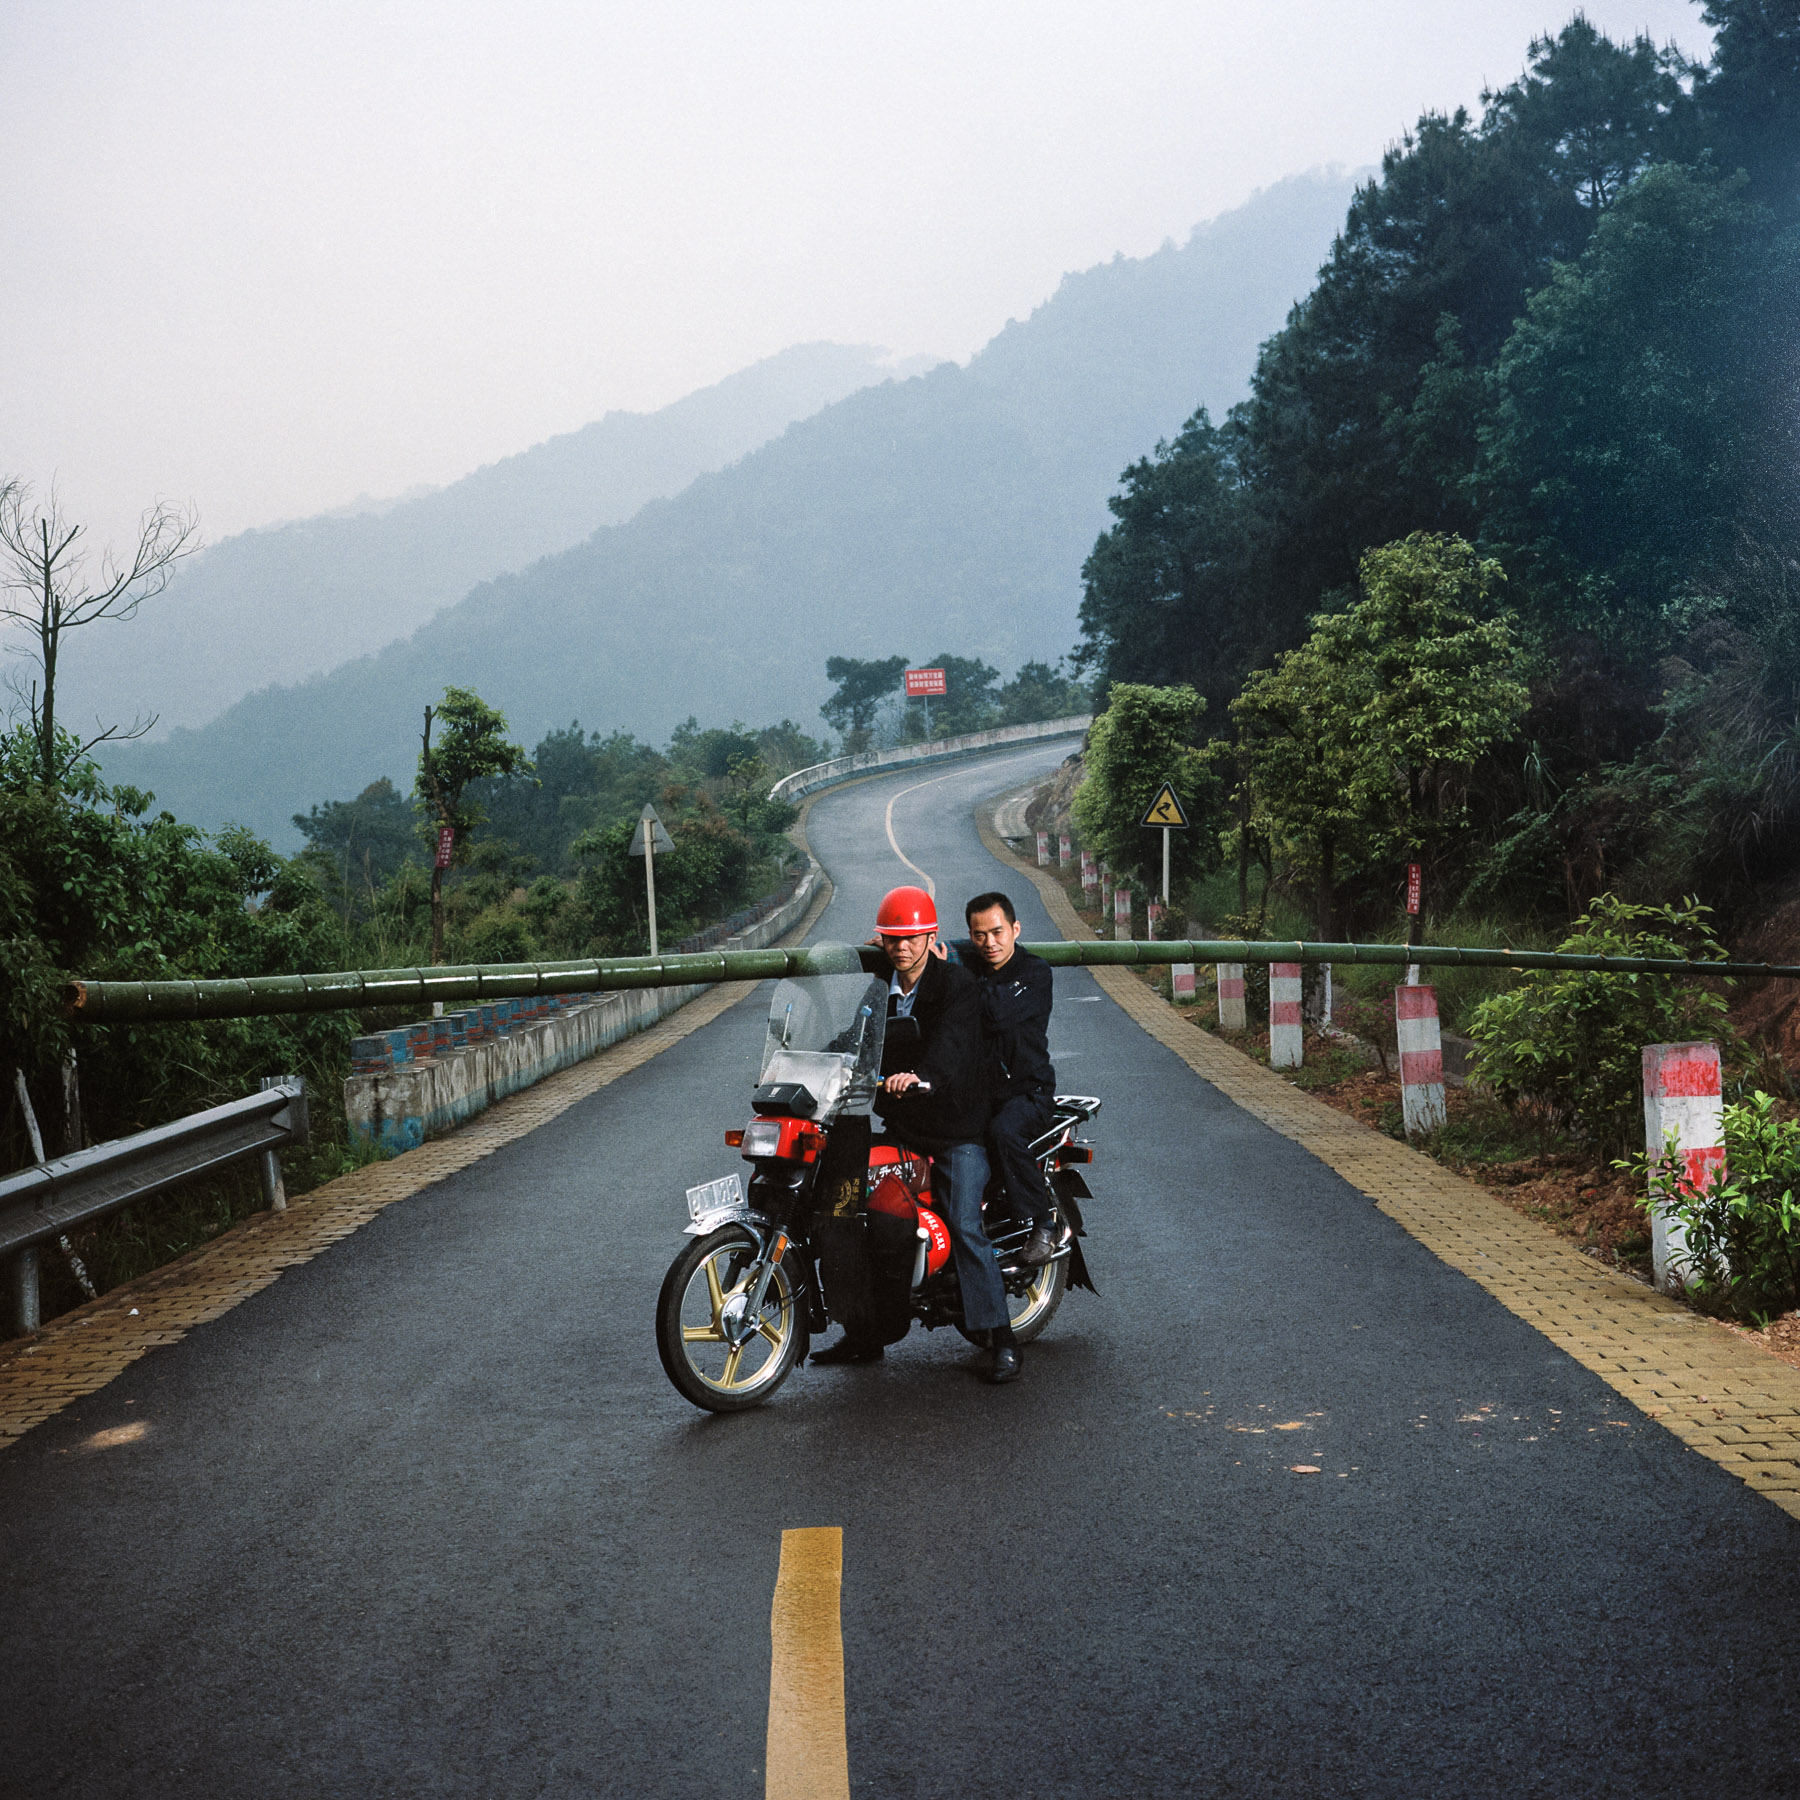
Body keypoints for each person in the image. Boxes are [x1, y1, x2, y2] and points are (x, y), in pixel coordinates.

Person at [810, 883, 1022, 1384]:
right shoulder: (878, 986)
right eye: (891, 938)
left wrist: (923, 1076)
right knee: (854, 1207)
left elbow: (953, 1045)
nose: (901, 947)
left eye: (911, 937)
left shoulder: (956, 985)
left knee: (965, 1221)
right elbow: (854, 1036)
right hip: (903, 1125)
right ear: (881, 940)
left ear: (930, 935)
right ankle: (867, 1333)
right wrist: (816, 1062)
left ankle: (1002, 1338)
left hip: (955, 1129)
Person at [954, 891, 1060, 1267]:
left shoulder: (1034, 972)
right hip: (982, 1093)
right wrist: (904, 944)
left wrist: (955, 974)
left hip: (1028, 1091)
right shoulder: (973, 963)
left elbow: (996, 1014)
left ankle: (1043, 1224)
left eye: (997, 932)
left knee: (1005, 1132)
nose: (990, 943)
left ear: (1015, 929)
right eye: (979, 935)